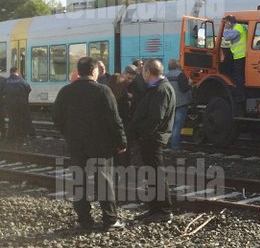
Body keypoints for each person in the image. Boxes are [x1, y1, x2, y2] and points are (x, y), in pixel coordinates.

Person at [52, 57, 127, 231]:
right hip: (101, 145)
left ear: (79, 71)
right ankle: (110, 219)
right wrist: (121, 141)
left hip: (76, 144)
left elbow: (56, 117)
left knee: (79, 180)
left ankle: (84, 220)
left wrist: (68, 133)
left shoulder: (66, 91)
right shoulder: (103, 91)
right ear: (94, 71)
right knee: (104, 181)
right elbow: (114, 119)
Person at [130, 59, 176, 223]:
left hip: (153, 138)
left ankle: (163, 210)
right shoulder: (158, 88)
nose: (142, 74)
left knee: (156, 174)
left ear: (149, 72)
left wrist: (143, 134)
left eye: (143, 72)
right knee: (152, 174)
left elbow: (156, 117)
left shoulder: (161, 90)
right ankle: (154, 209)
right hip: (152, 137)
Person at [166, 58, 192, 150]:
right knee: (178, 125)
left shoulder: (167, 76)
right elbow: (184, 88)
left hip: (170, 103)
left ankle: (169, 143)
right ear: (177, 65)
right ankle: (175, 145)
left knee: (171, 124)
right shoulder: (180, 75)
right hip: (181, 103)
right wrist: (190, 84)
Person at [4, 67, 31, 142]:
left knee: (11, 119)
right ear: (17, 72)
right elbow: (28, 89)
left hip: (10, 104)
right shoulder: (21, 80)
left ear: (10, 72)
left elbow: (4, 91)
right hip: (21, 104)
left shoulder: (6, 80)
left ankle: (11, 135)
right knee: (21, 119)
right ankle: (22, 135)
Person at [222, 15, 248, 90]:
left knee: (238, 76)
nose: (225, 24)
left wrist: (226, 28)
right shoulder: (241, 27)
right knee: (240, 75)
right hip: (242, 55)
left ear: (229, 22)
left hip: (240, 56)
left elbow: (227, 37)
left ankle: (240, 92)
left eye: (226, 23)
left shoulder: (238, 27)